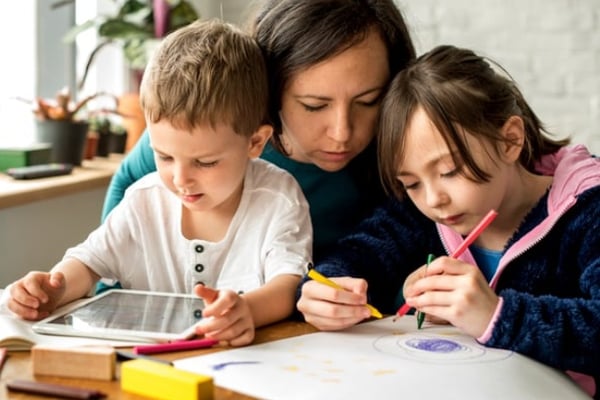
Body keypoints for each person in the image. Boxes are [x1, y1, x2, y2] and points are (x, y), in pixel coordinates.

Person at [297, 45, 600, 397]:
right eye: (410, 183)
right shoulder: (425, 211)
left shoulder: (587, 209)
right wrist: (327, 289)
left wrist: (497, 315)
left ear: (510, 140)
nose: (432, 199)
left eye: (450, 170)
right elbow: (358, 254)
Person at [5, 19, 313, 347]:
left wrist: (247, 311)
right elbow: (89, 263)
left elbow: (287, 285)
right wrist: (55, 288)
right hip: (146, 364)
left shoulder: (279, 198)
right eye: (164, 157)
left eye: (205, 162)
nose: (180, 180)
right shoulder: (143, 200)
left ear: (255, 142)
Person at [100, 0, 416, 262]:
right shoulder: (221, 130)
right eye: (313, 105)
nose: (342, 132)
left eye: (368, 101)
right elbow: (129, 182)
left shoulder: (404, 158)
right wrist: (112, 288)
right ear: (270, 89)